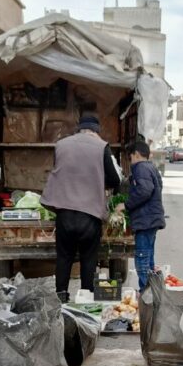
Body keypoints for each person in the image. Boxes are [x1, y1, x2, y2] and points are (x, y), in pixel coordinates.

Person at [41, 114, 122, 301]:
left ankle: (60, 298)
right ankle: (86, 299)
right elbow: (114, 180)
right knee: (88, 258)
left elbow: (59, 170)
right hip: (89, 215)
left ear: (79, 128)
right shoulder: (101, 147)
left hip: (65, 214)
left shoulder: (61, 145)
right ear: (96, 131)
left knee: (64, 257)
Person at [116, 140, 165, 291]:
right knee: (148, 258)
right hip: (152, 219)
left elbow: (145, 190)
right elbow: (157, 187)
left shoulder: (140, 168)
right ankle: (152, 291)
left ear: (136, 154)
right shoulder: (151, 167)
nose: (131, 162)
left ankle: (146, 294)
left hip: (146, 221)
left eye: (130, 158)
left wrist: (126, 205)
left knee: (142, 259)